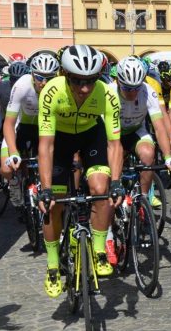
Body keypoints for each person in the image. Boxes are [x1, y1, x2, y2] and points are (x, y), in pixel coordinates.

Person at [37, 45, 123, 297]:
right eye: (77, 81)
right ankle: (53, 264)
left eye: (90, 81)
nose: (85, 88)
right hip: (60, 141)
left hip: (90, 137)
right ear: (64, 74)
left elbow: (114, 143)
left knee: (101, 188)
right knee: (53, 203)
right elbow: (46, 145)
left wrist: (116, 181)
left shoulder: (107, 94)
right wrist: (45, 189)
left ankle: (98, 250)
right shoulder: (51, 93)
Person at [109, 57, 171, 263]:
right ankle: (108, 229)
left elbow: (159, 126)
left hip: (135, 131)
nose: (132, 92)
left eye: (135, 88)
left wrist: (168, 157)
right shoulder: (109, 92)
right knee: (113, 167)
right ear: (118, 82)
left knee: (149, 154)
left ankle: (142, 200)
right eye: (127, 88)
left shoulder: (147, 90)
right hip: (112, 134)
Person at [0, 53, 59, 206]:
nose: (44, 83)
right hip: (21, 126)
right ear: (32, 74)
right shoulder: (22, 85)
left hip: (44, 128)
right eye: (40, 77)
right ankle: (13, 183)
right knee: (6, 169)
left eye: (49, 78)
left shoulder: (58, 88)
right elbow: (9, 123)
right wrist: (13, 152)